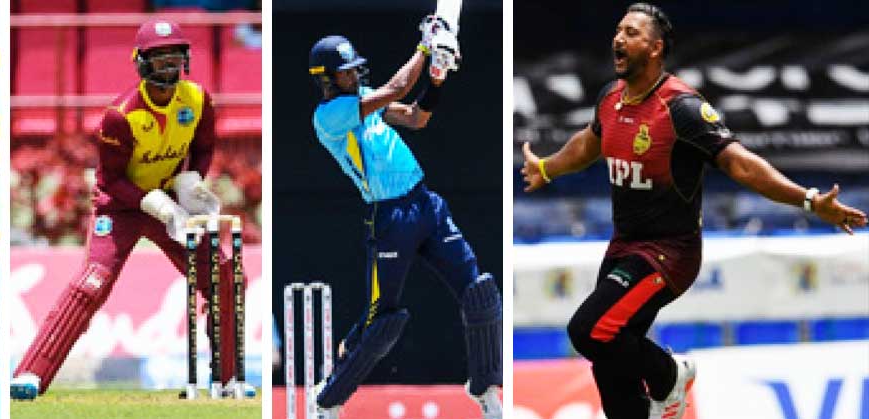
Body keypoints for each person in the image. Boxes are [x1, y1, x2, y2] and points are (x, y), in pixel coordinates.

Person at [519, 3, 868, 418]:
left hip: (668, 255)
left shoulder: (682, 108)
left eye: (631, 33)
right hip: (623, 248)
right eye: (617, 30)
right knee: (612, 369)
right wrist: (546, 167)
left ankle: (671, 373)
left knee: (588, 330)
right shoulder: (610, 98)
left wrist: (809, 200)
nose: (618, 39)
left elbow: (741, 164)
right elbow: (588, 143)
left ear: (655, 48)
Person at [10, 19, 243, 399]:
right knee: (92, 282)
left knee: (224, 275)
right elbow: (111, 179)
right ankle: (31, 375)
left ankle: (227, 379)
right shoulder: (120, 115)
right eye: (159, 57)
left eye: (173, 56)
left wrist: (191, 180)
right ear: (142, 63)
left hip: (170, 201)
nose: (168, 65)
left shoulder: (198, 100)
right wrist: (150, 203)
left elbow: (202, 146)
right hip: (121, 207)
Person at [305, 18, 502, 419]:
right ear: (325, 79)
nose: (355, 74)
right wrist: (425, 46)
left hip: (426, 203)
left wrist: (437, 77)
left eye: (355, 68)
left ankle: (485, 389)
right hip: (389, 218)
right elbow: (395, 88)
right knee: (385, 321)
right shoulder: (329, 116)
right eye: (346, 71)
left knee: (479, 292)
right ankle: (327, 401)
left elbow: (415, 117)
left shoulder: (362, 97)